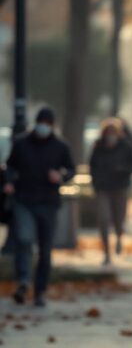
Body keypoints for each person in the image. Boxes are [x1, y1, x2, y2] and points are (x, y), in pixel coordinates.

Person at [3, 108, 75, 306]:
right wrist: (9, 181)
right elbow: (10, 166)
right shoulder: (21, 144)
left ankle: (40, 290)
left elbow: (71, 170)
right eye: (40, 122)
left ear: (52, 126)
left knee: (45, 248)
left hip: (48, 202)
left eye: (47, 123)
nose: (43, 127)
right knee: (24, 240)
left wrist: (61, 177)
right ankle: (24, 282)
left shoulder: (60, 146)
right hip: (23, 200)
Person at [89, 118, 132, 265]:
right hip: (102, 188)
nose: (110, 136)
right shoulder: (98, 147)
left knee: (119, 219)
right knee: (103, 219)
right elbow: (92, 166)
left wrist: (123, 170)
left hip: (120, 187)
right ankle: (106, 252)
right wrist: (95, 182)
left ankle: (119, 237)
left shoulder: (125, 146)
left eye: (113, 133)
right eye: (108, 133)